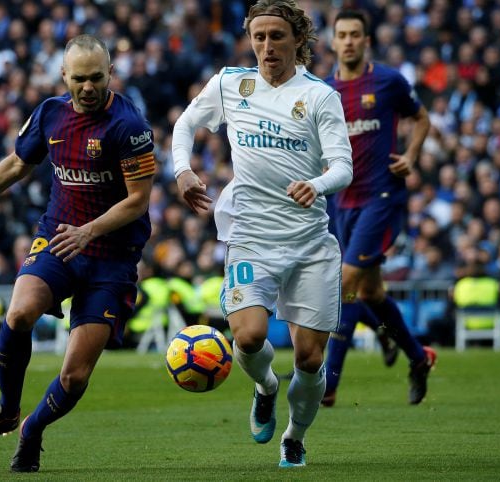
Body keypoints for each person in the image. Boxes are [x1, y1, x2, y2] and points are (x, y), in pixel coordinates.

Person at [0, 35, 154, 472]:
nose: (88, 87)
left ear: (111, 75)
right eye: (80, 78)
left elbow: (138, 200)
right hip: (58, 237)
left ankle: (31, 429)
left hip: (112, 255)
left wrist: (89, 231)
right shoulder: (50, 113)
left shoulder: (130, 126)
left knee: (75, 376)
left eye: (97, 78)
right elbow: (16, 164)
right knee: (18, 314)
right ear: (64, 76)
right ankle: (7, 410)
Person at [172, 0, 353, 468]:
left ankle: (294, 435)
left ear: (297, 39)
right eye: (259, 37)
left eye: (277, 36)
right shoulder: (233, 83)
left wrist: (315, 184)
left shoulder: (319, 96)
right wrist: (182, 170)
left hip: (310, 244)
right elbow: (186, 122)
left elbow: (343, 167)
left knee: (311, 359)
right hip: (251, 234)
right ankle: (266, 386)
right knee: (249, 337)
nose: (267, 46)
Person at [322, 9, 436, 407]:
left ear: (366, 40)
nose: (349, 41)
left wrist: (412, 154)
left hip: (381, 197)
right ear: (333, 41)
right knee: (369, 293)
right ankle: (418, 358)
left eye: (356, 34)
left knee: (344, 284)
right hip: (342, 203)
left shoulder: (387, 81)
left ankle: (328, 382)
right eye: (342, 34)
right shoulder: (323, 91)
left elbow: (421, 118)